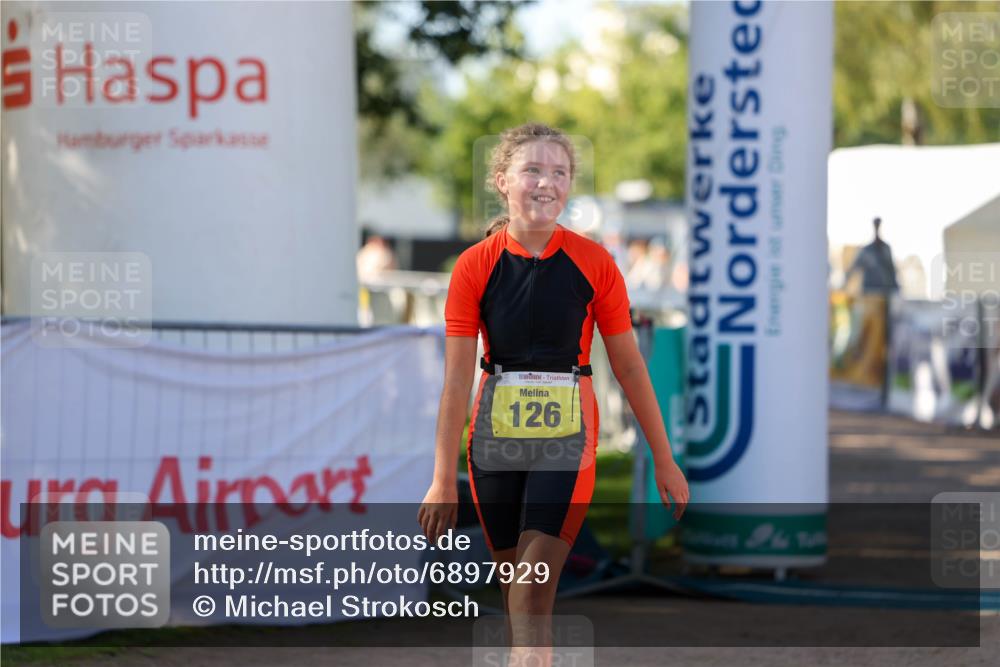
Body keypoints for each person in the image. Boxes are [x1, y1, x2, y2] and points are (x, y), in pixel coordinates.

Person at [417, 123, 688, 665]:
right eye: (533, 170)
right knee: (515, 591)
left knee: (533, 592)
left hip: (568, 442)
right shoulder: (474, 266)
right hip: (493, 444)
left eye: (559, 172)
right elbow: (455, 381)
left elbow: (631, 368)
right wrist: (443, 477)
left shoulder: (595, 263)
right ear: (502, 181)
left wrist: (664, 458)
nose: (547, 183)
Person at [845, 217, 899, 294]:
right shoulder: (866, 250)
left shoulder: (886, 249)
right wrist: (844, 284)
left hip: (884, 293)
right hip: (869, 292)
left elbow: (891, 270)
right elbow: (854, 268)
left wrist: (896, 290)